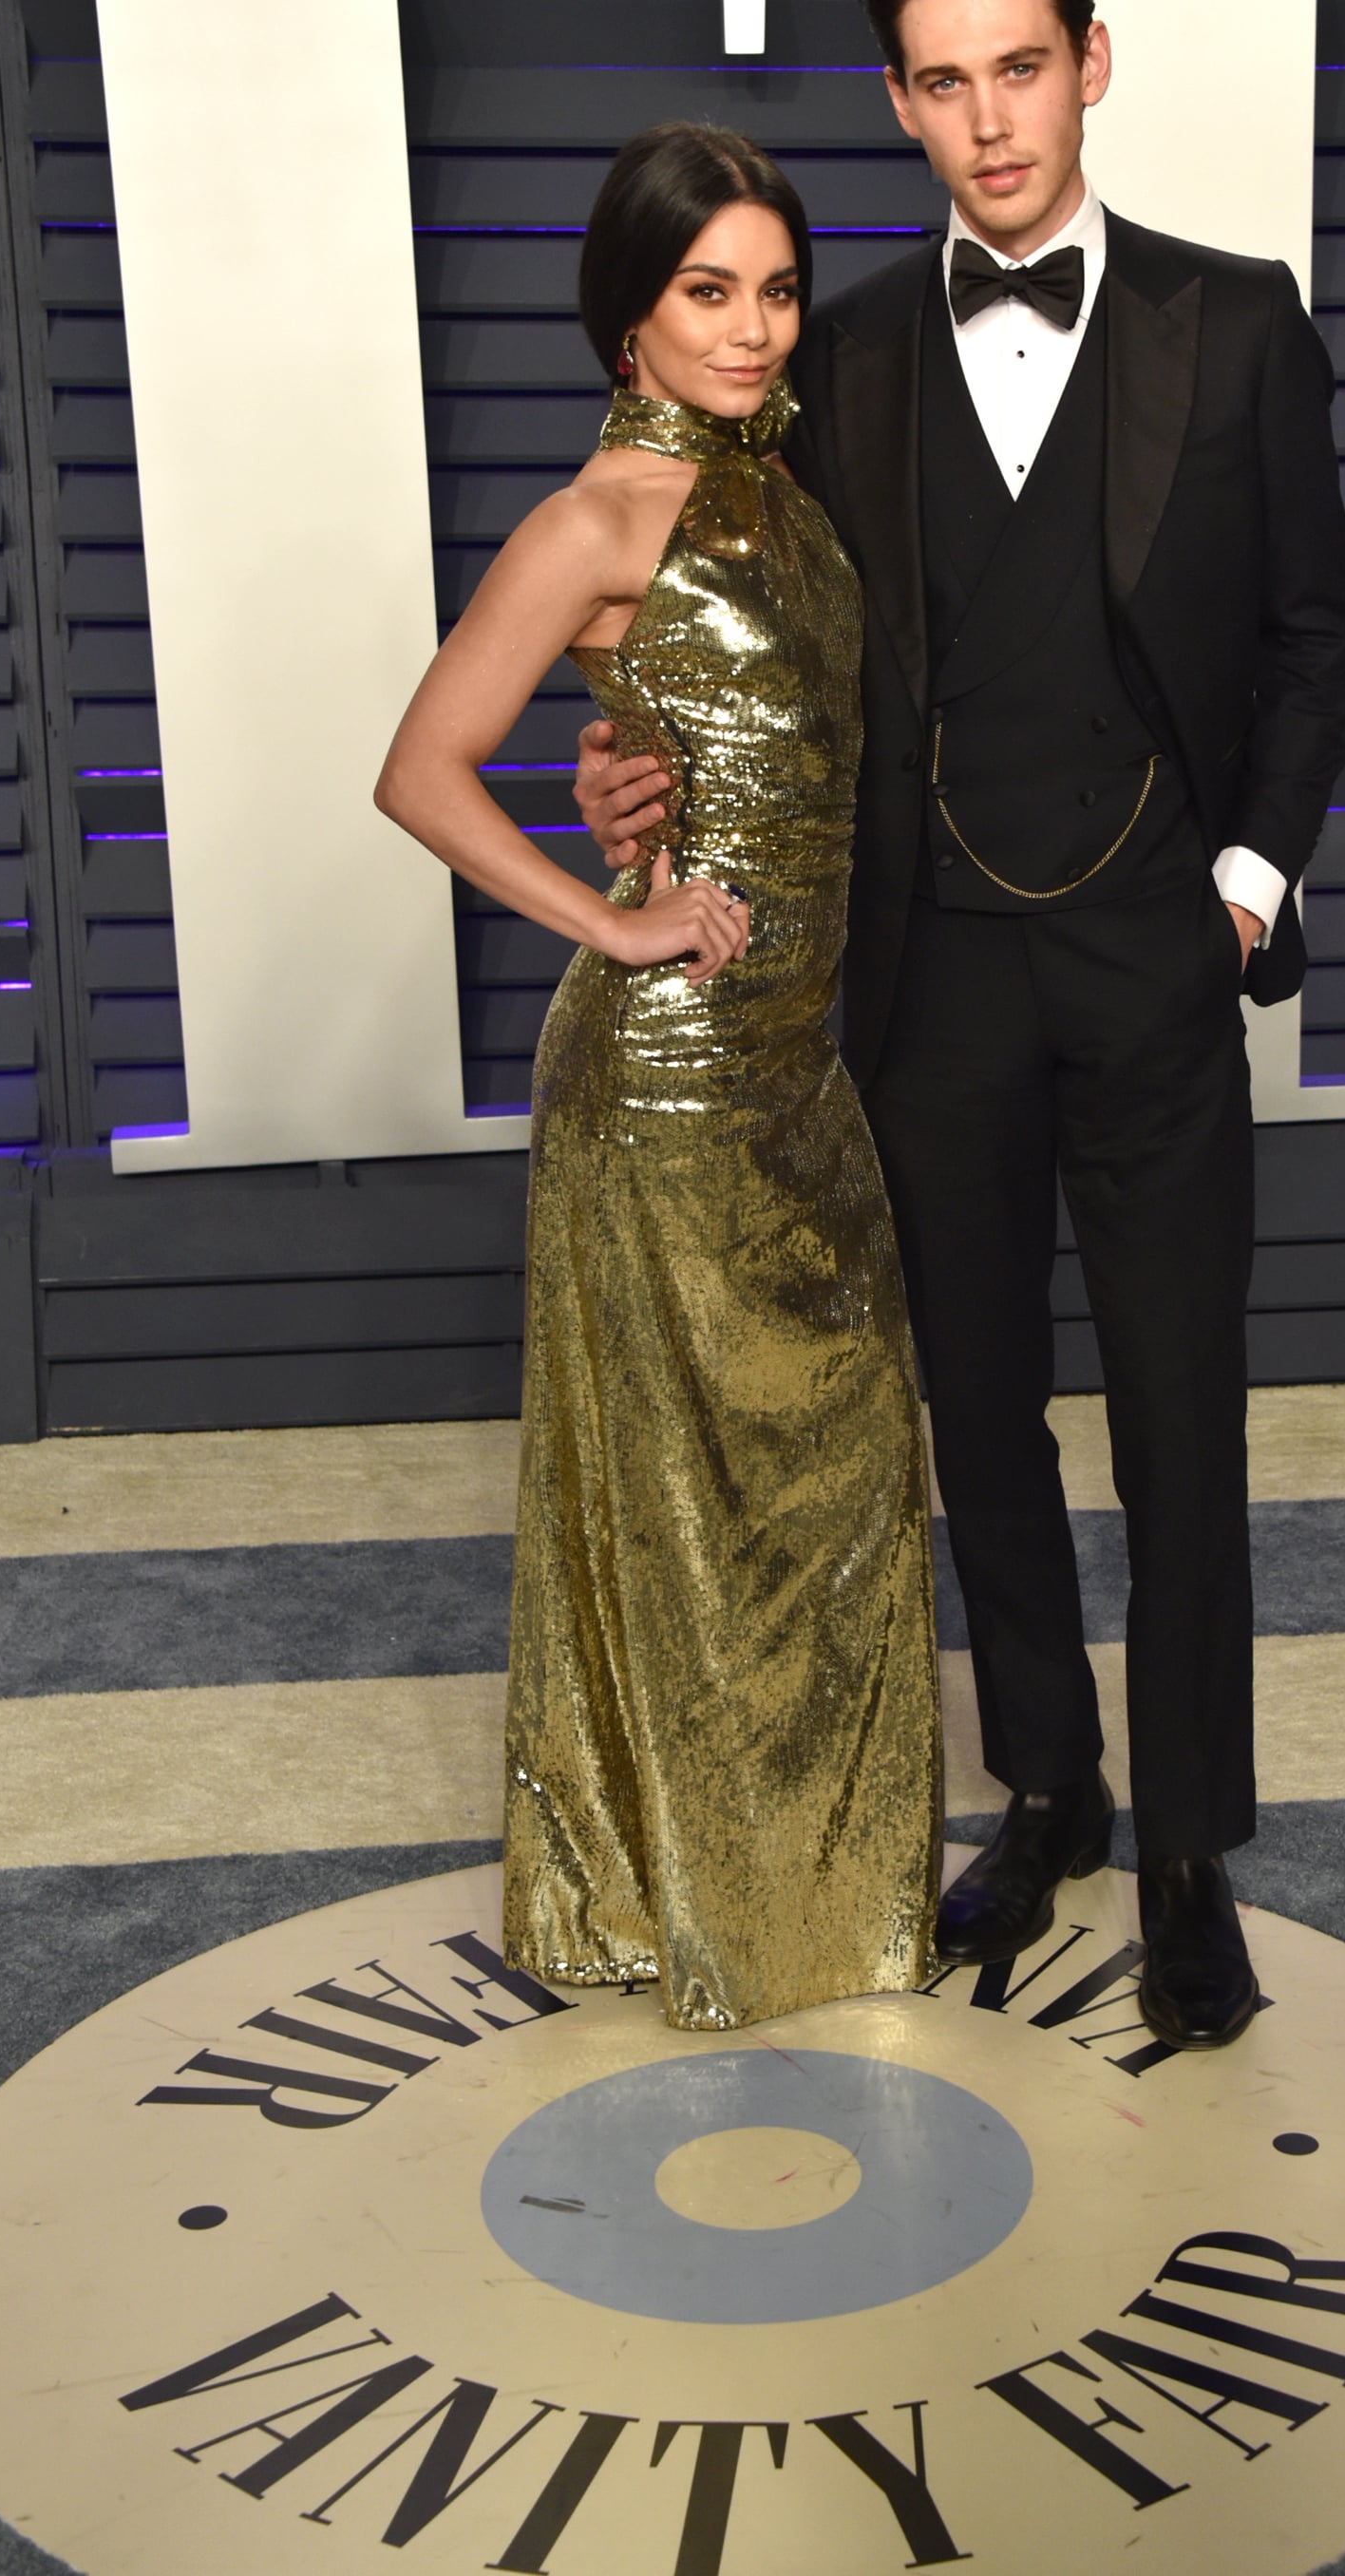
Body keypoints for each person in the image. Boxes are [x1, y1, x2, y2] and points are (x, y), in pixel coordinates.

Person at [576, 0, 1345, 2051]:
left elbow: (1314, 636)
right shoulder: (838, 365)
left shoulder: (1237, 320)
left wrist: (1243, 875)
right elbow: (723, 620)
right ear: (903, 104)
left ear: (1087, 63)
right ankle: (1055, 1791)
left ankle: (1194, 1842)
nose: (989, 120)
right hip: (926, 987)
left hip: (1152, 963)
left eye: (1022, 66)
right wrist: (626, 753)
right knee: (985, 1422)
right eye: (943, 81)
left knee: (1181, 1413)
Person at [375, 123, 941, 2033]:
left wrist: (629, 768)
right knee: (698, 1507)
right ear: (631, 318)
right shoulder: (599, 519)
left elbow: (734, 737)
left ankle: (813, 1900)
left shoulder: (795, 493)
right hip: (670, 1084)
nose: (755, 326)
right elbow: (421, 765)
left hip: (805, 1071)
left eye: (776, 288)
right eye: (711, 290)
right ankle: (718, 1916)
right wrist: (609, 920)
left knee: (838, 1477)